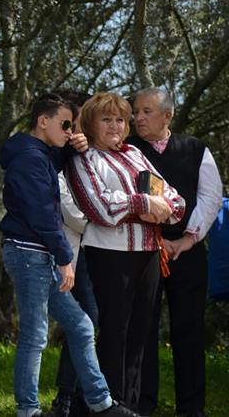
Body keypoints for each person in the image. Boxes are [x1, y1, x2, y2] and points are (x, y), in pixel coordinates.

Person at [0, 93, 138, 417]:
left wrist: (73, 147)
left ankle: (100, 403)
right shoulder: (30, 159)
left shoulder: (39, 154)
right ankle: (28, 410)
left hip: (39, 255)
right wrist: (64, 258)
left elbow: (55, 164)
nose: (71, 131)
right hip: (30, 254)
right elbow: (42, 216)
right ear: (42, 121)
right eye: (65, 125)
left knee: (81, 326)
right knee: (35, 335)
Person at [66, 92, 185, 410]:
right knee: (113, 332)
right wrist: (145, 204)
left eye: (120, 119)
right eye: (106, 119)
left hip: (149, 253)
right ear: (90, 123)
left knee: (140, 334)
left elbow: (176, 202)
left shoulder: (134, 153)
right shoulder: (84, 158)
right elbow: (99, 208)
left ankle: (130, 406)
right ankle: (106, 406)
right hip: (110, 255)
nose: (115, 126)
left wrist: (153, 207)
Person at [128, 88, 223, 417]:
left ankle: (191, 408)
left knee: (189, 329)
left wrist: (187, 239)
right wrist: (154, 240)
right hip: (142, 252)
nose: (138, 118)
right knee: (142, 329)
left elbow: (211, 197)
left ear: (167, 115)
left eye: (147, 111)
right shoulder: (128, 149)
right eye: (136, 112)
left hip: (187, 252)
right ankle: (142, 404)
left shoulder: (195, 149)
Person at [47, 91, 98, 417]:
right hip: (73, 250)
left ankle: (78, 397)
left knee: (90, 321)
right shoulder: (56, 156)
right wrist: (104, 218)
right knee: (84, 320)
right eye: (73, 123)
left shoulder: (94, 153)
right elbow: (70, 209)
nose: (77, 130)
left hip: (100, 249)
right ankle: (66, 397)